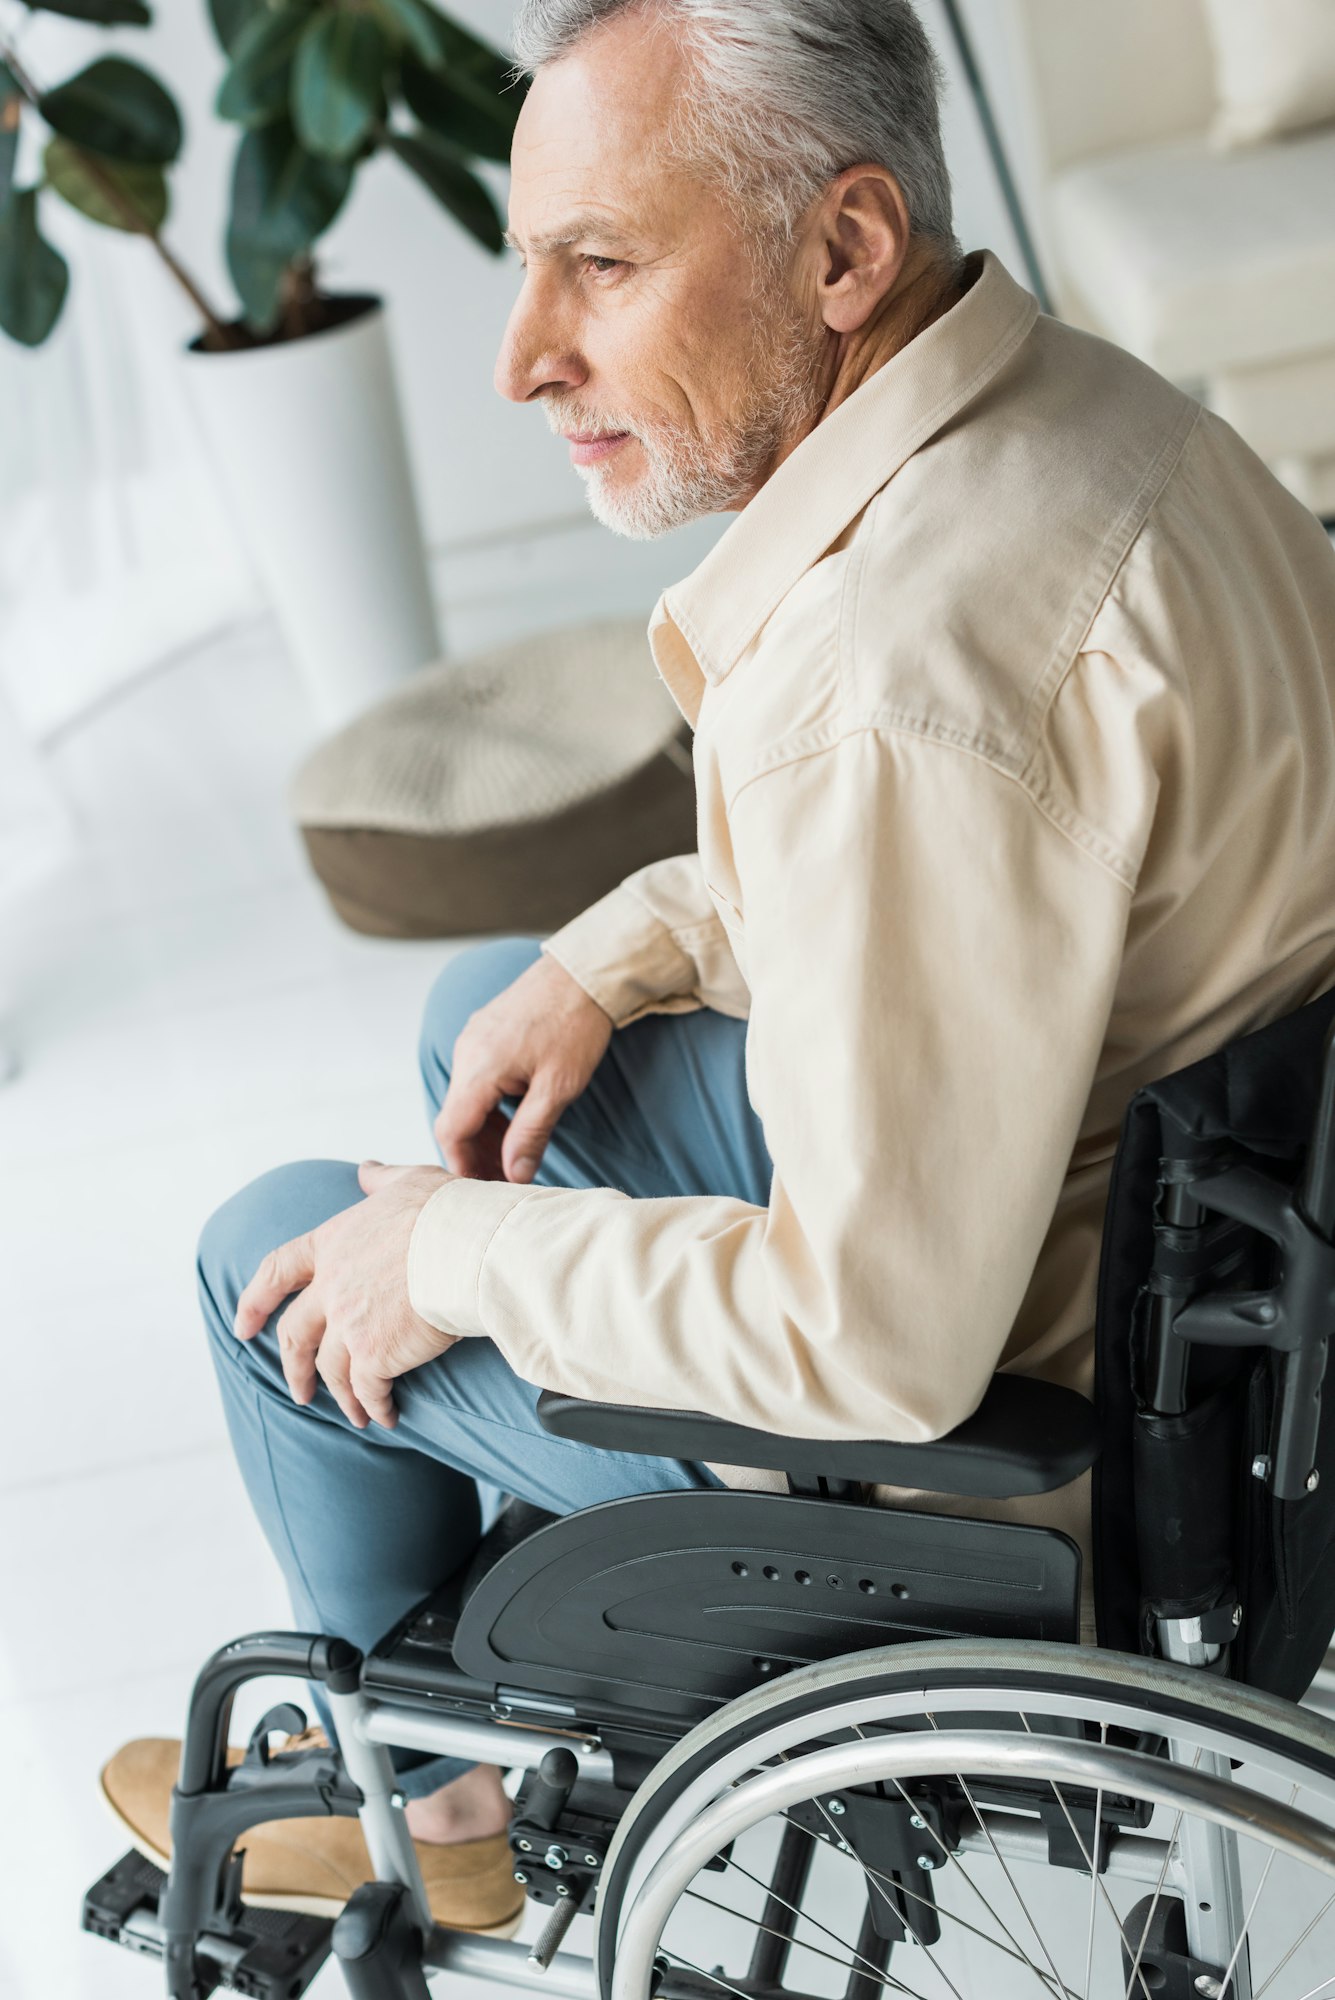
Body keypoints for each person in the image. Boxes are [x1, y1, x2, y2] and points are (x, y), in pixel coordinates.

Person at [102, 0, 1335, 1935]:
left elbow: (873, 1340)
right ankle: (489, 1543)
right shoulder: (1112, 418)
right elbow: (988, 889)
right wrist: (613, 953)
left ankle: (433, 1827)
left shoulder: (889, 682)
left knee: (274, 1254)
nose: (524, 357)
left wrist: (444, 1257)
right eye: (534, 267)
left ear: (842, 250)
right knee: (492, 1018)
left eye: (601, 265)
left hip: (1021, 1453)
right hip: (1217, 1306)